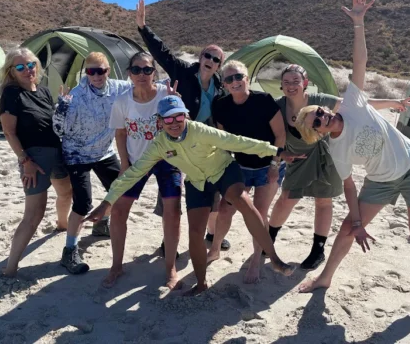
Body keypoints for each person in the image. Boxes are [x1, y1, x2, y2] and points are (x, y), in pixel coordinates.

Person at [295, 0, 410, 324]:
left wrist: (359, 24)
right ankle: (324, 278)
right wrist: (358, 224)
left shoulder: (352, 104)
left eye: (319, 111)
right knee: (346, 229)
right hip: (381, 180)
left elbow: (359, 62)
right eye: (316, 122)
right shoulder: (335, 149)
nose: (322, 117)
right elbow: (348, 186)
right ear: (316, 133)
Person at [85, 95, 302, 296]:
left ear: (186, 115)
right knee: (195, 232)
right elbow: (133, 173)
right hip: (197, 182)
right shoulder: (159, 145)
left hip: (223, 169)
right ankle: (200, 283)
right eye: (168, 119)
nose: (174, 122)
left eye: (179, 116)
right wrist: (107, 202)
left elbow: (237, 141)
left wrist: (277, 151)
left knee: (241, 200)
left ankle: (273, 258)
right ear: (160, 121)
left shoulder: (200, 130)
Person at [267, 64, 410, 270]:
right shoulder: (277, 107)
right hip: (298, 157)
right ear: (281, 86)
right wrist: (278, 159)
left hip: (330, 155)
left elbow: (359, 105)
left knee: (324, 201)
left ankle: (318, 250)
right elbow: (265, 131)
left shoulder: (320, 101)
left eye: (296, 81)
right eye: (287, 82)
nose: (291, 86)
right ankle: (268, 240)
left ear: (305, 84)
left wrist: (394, 102)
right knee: (287, 198)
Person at [135, 0, 230, 250]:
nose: (210, 60)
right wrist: (144, 28)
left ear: (220, 65)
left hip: (203, 144)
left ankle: (212, 234)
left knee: (211, 189)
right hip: (176, 137)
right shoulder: (184, 72)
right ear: (200, 57)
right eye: (207, 55)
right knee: (172, 192)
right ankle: (169, 241)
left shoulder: (220, 85)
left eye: (216, 58)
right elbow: (162, 53)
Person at [103, 52, 183, 289]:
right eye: (136, 70)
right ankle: (116, 265)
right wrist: (125, 163)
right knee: (118, 211)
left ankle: (170, 267)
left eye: (147, 70)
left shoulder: (165, 95)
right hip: (137, 161)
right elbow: (120, 133)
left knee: (173, 212)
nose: (141, 74)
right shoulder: (122, 101)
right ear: (129, 74)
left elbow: (181, 125)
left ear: (154, 73)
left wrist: (176, 102)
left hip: (167, 160)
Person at [52, 52, 133, 275]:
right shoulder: (76, 97)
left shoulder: (118, 88)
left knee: (120, 187)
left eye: (101, 71)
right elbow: (59, 131)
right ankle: (69, 251)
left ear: (109, 71)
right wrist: (61, 109)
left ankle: (100, 224)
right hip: (76, 153)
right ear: (85, 72)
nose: (96, 76)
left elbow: (144, 85)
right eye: (91, 71)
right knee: (83, 203)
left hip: (103, 151)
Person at [207, 60, 286, 283]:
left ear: (247, 78)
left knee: (259, 213)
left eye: (239, 77)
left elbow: (280, 135)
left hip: (267, 166)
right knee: (224, 209)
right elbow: (223, 140)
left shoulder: (263, 101)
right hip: (240, 165)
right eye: (229, 79)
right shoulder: (220, 104)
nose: (235, 82)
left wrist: (274, 165)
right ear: (224, 83)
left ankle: (255, 260)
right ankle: (214, 249)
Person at [0, 48, 73, 277]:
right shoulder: (11, 93)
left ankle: (62, 224)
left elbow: (52, 121)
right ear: (12, 71)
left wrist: (63, 105)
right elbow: (9, 132)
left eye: (31, 65)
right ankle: (10, 268)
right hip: (35, 158)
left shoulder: (42, 91)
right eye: (20, 67)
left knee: (66, 191)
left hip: (57, 151)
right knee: (34, 214)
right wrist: (25, 161)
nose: (27, 70)